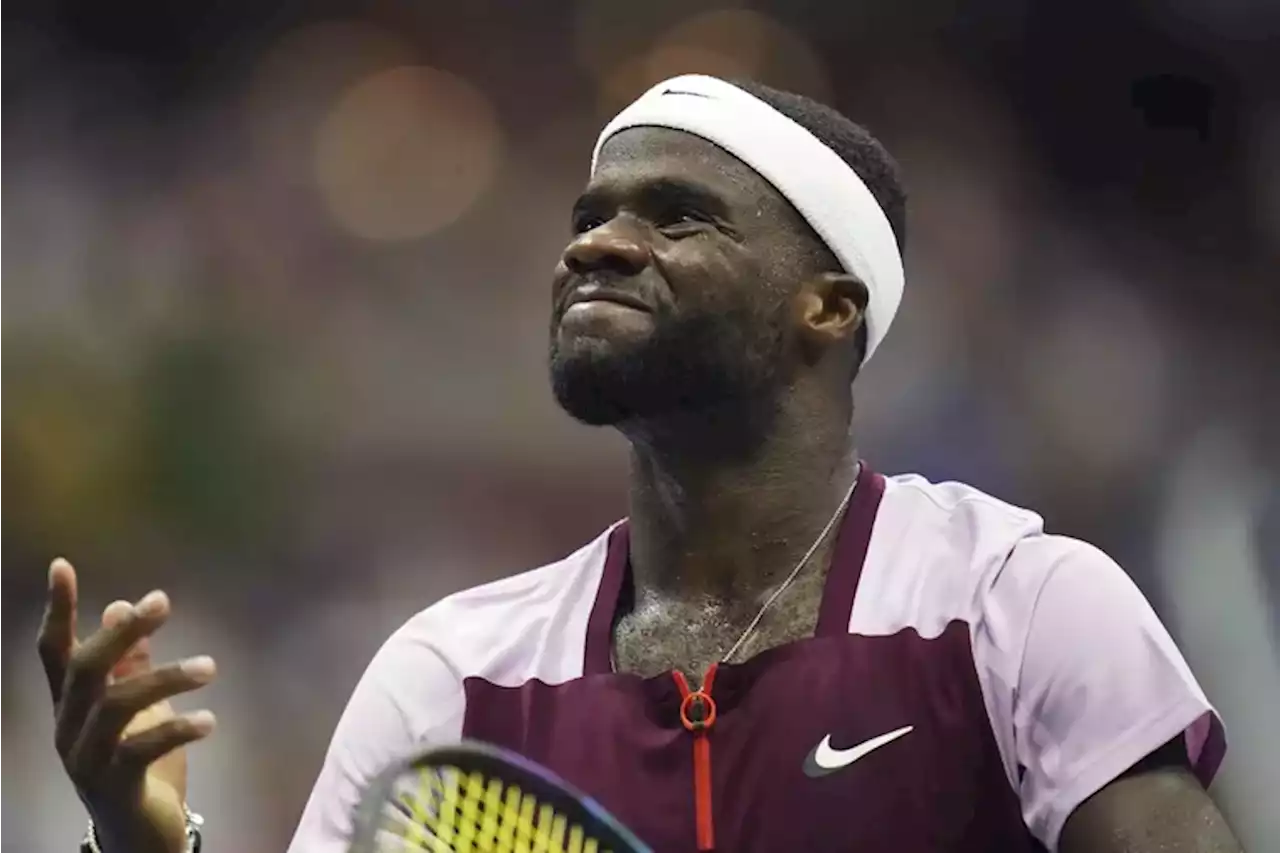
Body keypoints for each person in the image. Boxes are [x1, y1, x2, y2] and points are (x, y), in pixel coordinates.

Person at [38, 75, 1242, 853]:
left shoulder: (1018, 610)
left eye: (674, 217)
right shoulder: (455, 675)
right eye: (586, 218)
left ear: (826, 307)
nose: (597, 245)